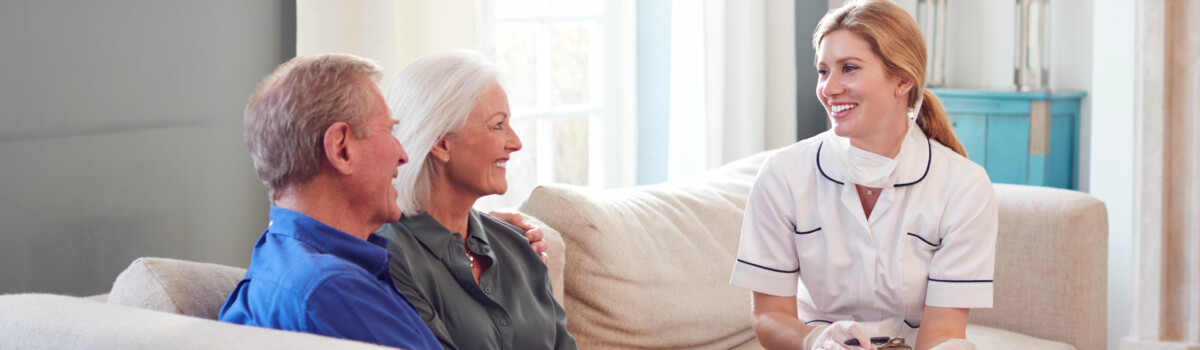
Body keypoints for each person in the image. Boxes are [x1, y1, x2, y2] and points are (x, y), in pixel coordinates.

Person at [729, 1, 997, 350]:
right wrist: (816, 341)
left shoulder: (964, 187)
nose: (829, 88)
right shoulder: (783, 176)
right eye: (824, 71)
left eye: (849, 68)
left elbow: (943, 329)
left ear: (902, 80)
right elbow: (768, 317)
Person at [217, 53, 441, 348]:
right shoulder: (331, 291)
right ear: (341, 149)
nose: (403, 154)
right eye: (389, 130)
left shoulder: (277, 260)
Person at [375, 49, 577, 350]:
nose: (516, 143)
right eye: (498, 125)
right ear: (442, 143)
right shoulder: (390, 256)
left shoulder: (520, 245)